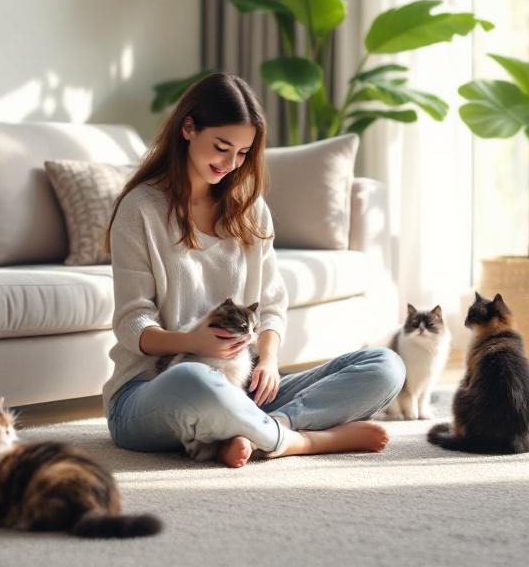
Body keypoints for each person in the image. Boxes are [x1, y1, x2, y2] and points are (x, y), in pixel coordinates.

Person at [101, 73, 405, 468]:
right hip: (151, 392)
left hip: (240, 387)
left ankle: (260, 429)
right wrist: (192, 342)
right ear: (188, 129)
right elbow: (132, 323)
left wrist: (268, 360)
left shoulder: (250, 211)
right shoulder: (139, 209)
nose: (230, 165)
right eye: (222, 148)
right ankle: (302, 442)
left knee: (385, 366)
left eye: (243, 153)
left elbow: (273, 305)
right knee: (193, 381)